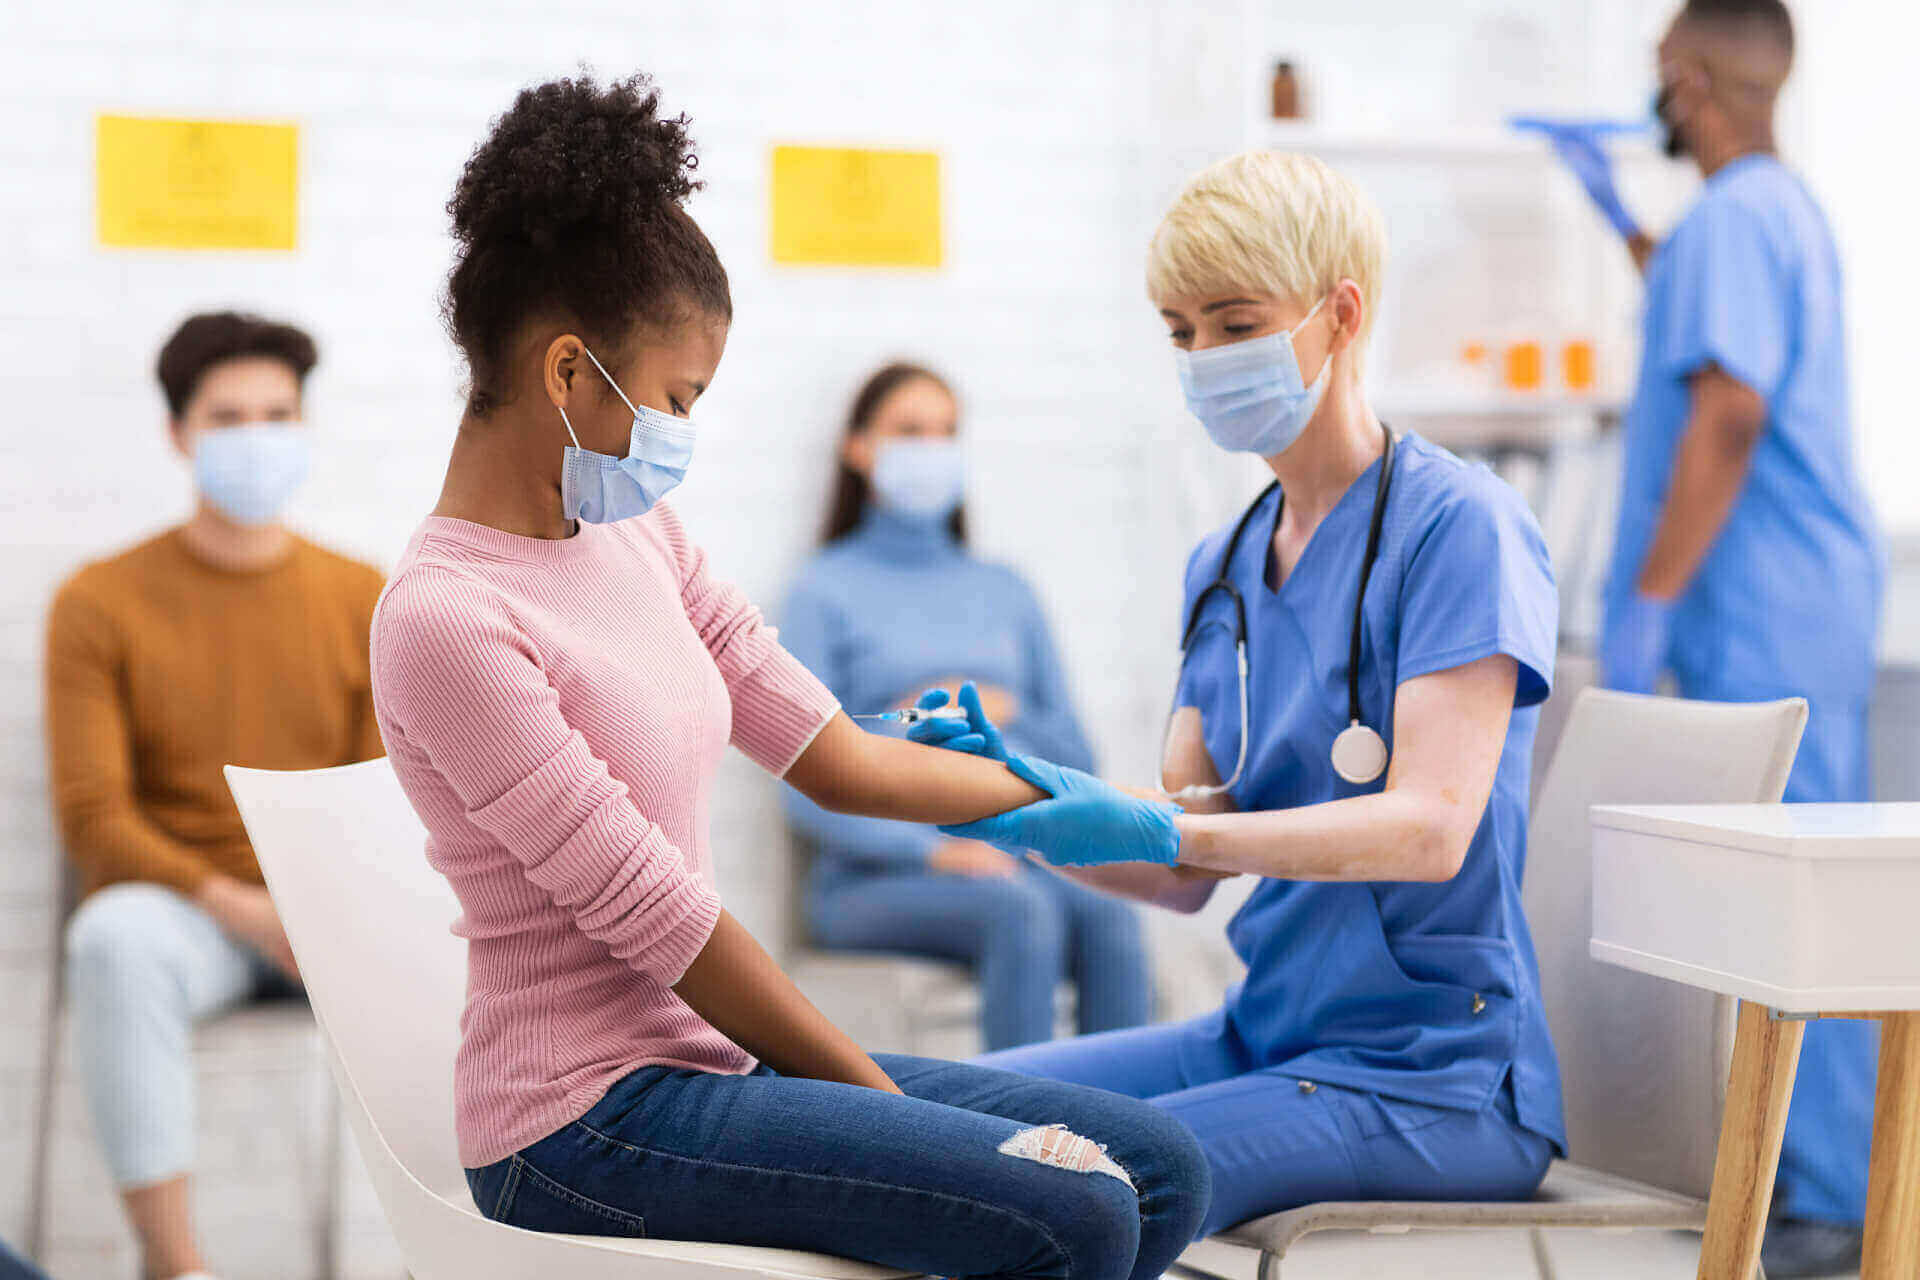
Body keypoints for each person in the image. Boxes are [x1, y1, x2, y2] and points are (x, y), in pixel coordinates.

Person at [367, 74, 1208, 1280]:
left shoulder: (638, 535)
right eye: (674, 398)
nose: (680, 433)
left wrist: (1058, 798)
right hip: (578, 1121)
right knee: (1069, 1212)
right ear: (567, 375)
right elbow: (664, 920)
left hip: (705, 1064)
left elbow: (841, 755)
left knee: (1161, 1169)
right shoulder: (447, 619)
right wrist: (901, 1112)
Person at [906, 150, 1565, 1236]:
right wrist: (1012, 802)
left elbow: (1433, 830)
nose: (1203, 356)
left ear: (1339, 314)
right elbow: (1181, 864)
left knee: (1052, 1175)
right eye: (1179, 329)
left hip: (1430, 1075)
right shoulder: (1223, 562)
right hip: (1263, 1033)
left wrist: (1175, 832)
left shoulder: (1459, 528)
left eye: (1234, 320)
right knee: (930, 1115)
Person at [1540, 3, 1881, 1272]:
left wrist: (1653, 600)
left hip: (1757, 602)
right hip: (1800, 598)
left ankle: (1830, 1200)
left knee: (1803, 909)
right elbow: (1708, 331)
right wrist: (1626, 229)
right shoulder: (1764, 212)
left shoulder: (1736, 218)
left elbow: (1727, 415)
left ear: (1687, 81)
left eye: (1657, 80)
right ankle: (1806, 1179)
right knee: (1793, 898)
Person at [44, 312, 386, 1280]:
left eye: (278, 413)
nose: (258, 436)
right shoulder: (98, 601)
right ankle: (175, 1260)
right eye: (228, 416)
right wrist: (244, 905)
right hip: (197, 918)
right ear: (178, 434)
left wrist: (325, 916)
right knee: (112, 937)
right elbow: (93, 817)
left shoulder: (361, 592)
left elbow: (375, 796)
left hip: (332, 917)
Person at [781, 361, 1151, 1050]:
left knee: (1114, 919)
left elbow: (1077, 758)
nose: (932, 449)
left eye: (947, 432)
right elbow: (802, 783)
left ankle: (1125, 1139)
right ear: (858, 447)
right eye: (911, 430)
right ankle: (1022, 1152)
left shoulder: (1005, 589)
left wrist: (1006, 713)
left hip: (1012, 857)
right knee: (1021, 915)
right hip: (873, 879)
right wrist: (931, 842)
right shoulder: (821, 591)